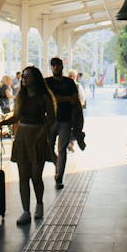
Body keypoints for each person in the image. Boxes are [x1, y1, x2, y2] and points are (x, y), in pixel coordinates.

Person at [0, 66, 56, 225]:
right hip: (22, 136)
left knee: (36, 176)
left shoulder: (44, 97)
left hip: (38, 137)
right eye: (23, 76)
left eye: (27, 76)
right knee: (23, 176)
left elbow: (51, 118)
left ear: (35, 78)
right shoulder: (21, 97)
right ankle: (25, 211)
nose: (24, 79)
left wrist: (43, 133)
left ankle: (40, 204)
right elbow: (16, 116)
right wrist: (2, 123)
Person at [45, 57, 80, 189]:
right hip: (51, 119)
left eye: (57, 65)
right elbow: (49, 99)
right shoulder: (47, 82)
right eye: (53, 65)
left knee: (62, 149)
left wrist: (57, 99)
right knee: (49, 147)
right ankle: (57, 166)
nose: (55, 67)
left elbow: (74, 100)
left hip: (65, 119)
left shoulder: (69, 82)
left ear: (61, 67)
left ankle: (59, 175)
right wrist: (65, 98)